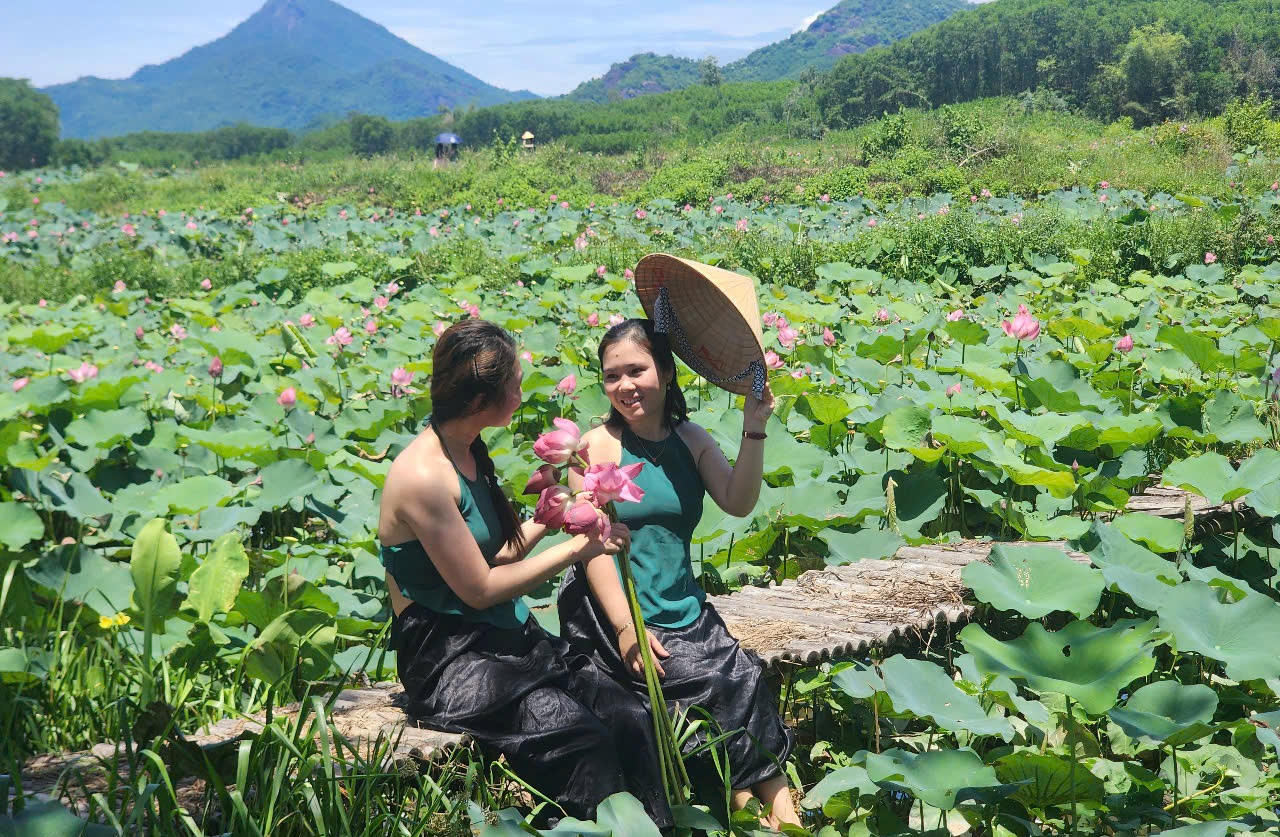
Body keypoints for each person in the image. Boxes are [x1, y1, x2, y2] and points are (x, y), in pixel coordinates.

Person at [378, 319, 671, 827]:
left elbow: (496, 559)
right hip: (449, 656)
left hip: (502, 635)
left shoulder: (466, 448)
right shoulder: (424, 476)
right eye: (514, 384)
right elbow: (479, 589)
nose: (521, 391)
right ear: (480, 399)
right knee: (579, 738)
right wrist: (579, 548)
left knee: (626, 712)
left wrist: (558, 510)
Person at [556, 318, 799, 829]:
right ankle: (764, 820)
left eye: (636, 371)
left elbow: (738, 501)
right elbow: (591, 551)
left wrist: (754, 425)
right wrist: (627, 629)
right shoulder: (594, 449)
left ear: (666, 372)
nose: (624, 385)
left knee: (744, 677)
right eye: (612, 375)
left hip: (683, 606)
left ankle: (780, 819)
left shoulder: (691, 439)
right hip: (617, 611)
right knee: (713, 683)